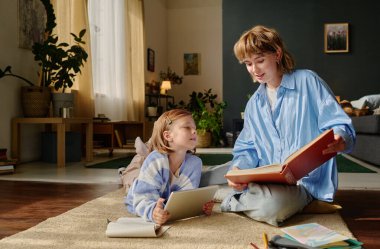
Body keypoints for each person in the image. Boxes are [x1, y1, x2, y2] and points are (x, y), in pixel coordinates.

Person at [221, 25, 355, 226]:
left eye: (260, 60)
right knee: (237, 179)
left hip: (307, 184)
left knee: (271, 207)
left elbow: (338, 123)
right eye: (248, 63)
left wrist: (339, 138)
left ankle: (230, 201)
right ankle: (261, 196)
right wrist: (238, 169)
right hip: (273, 182)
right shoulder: (253, 105)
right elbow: (247, 149)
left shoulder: (308, 81)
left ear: (277, 54)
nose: (254, 70)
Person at [125, 109, 214, 225]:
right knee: (129, 176)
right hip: (136, 192)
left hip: (161, 191)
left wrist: (199, 207)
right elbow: (142, 198)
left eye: (195, 128)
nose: (194, 131)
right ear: (168, 136)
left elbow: (186, 199)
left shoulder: (195, 163)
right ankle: (143, 151)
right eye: (187, 127)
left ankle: (146, 150)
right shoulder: (155, 160)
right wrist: (153, 212)